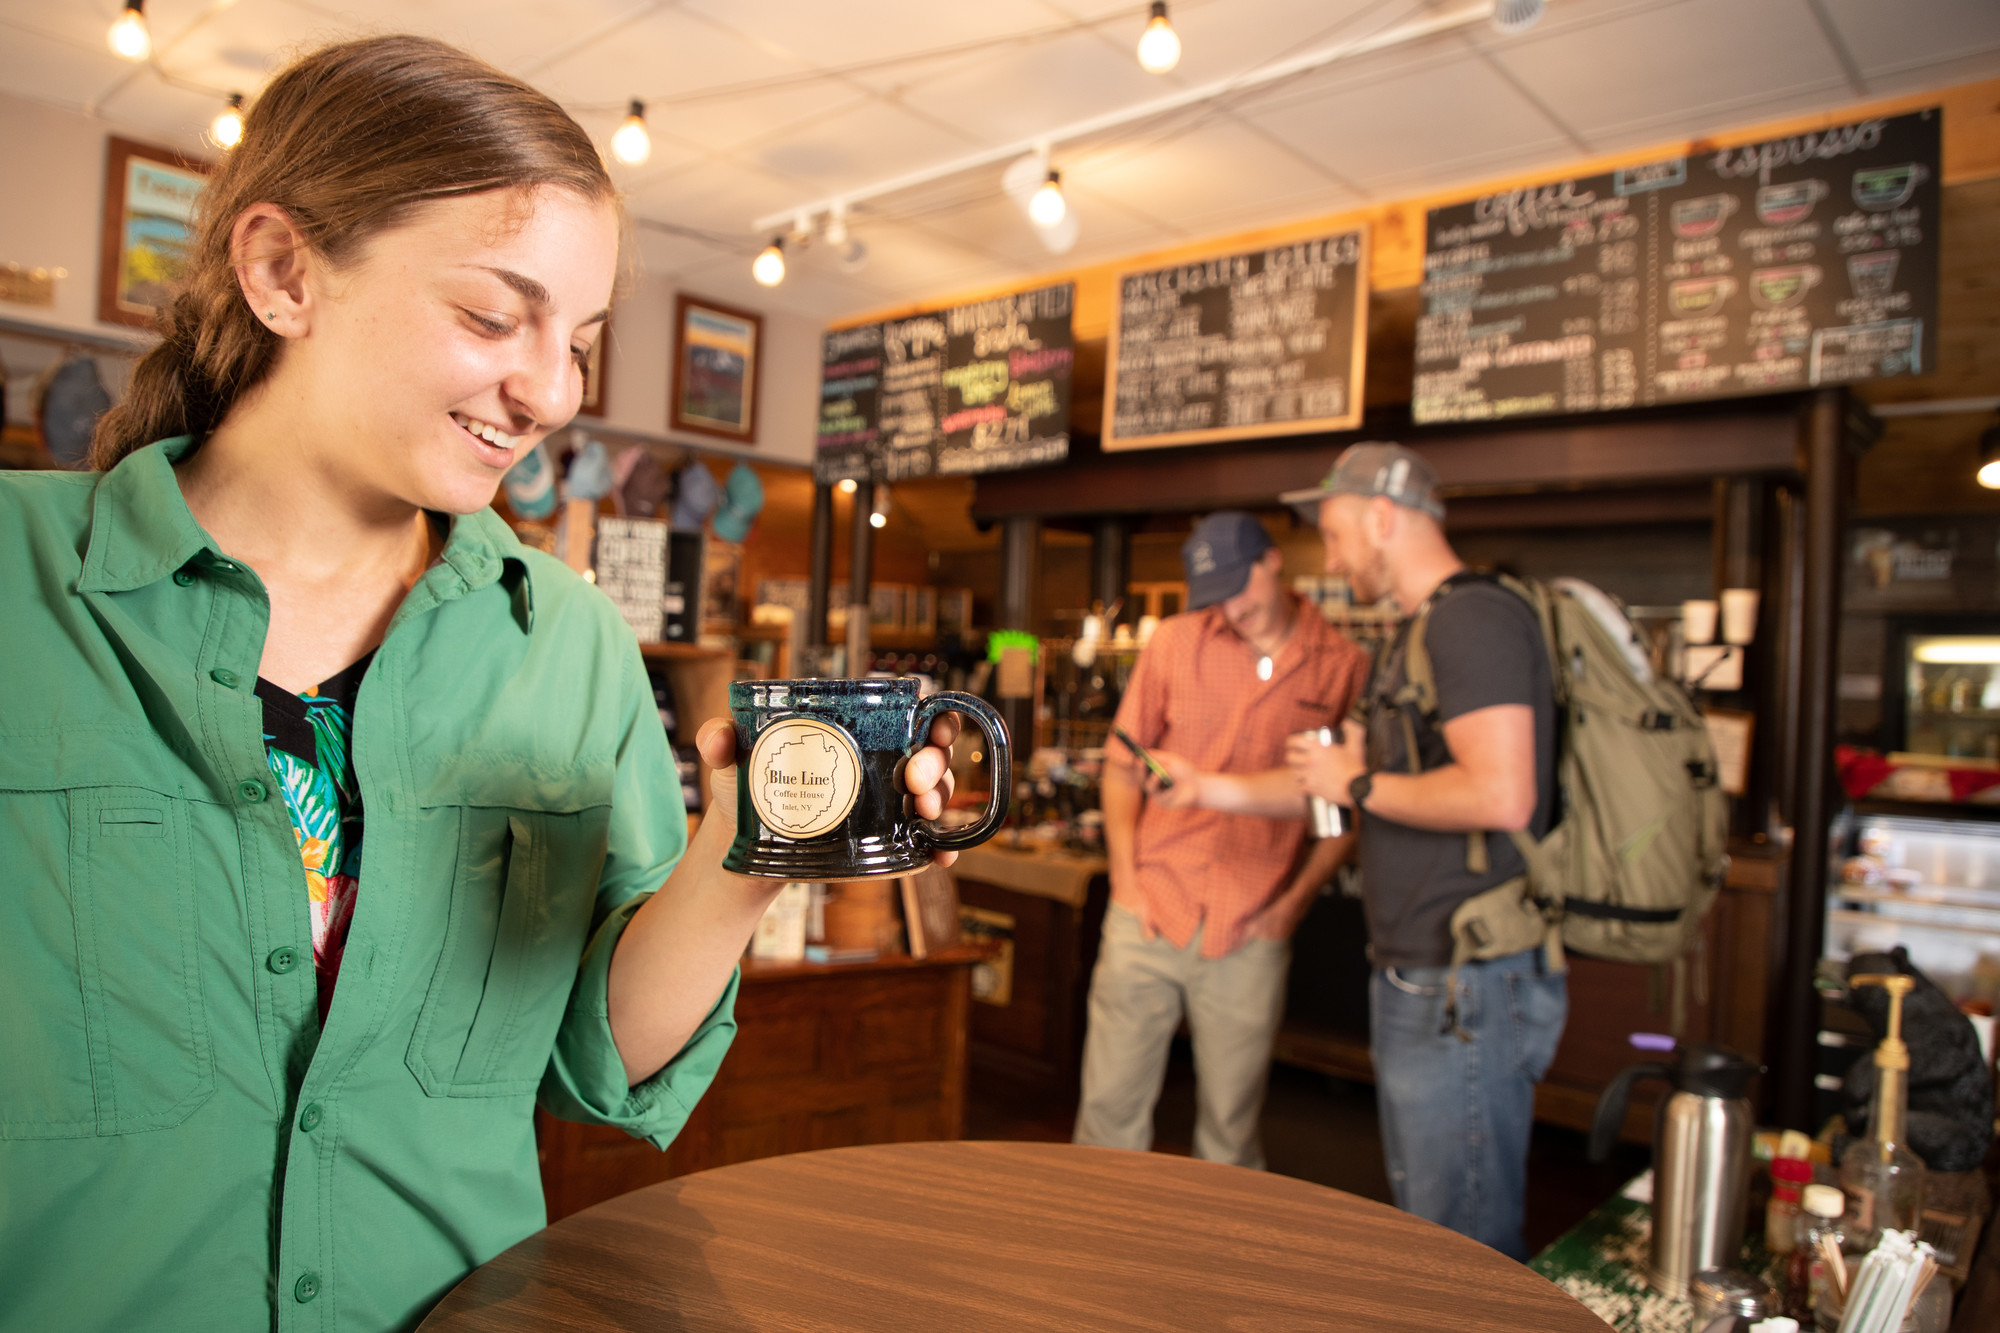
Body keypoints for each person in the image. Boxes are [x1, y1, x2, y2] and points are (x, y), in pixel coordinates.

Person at [0, 37, 959, 1331]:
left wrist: (748, 851)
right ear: (286, 271)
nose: (551, 389)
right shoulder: (21, 582)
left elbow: (596, 1055)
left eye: (580, 340)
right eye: (494, 315)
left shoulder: (568, 641)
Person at [1283, 442, 1564, 1260]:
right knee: (1429, 1224)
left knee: (1463, 1243)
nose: (1330, 559)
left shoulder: (1473, 617)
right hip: (1426, 972)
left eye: (1336, 536)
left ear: (1382, 518)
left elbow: (1502, 792)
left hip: (1467, 979)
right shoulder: (1419, 629)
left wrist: (1359, 782)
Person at [1072, 511, 1367, 1168]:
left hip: (1250, 922)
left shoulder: (1341, 665)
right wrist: (1124, 878)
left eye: (1239, 582)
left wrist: (1291, 905)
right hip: (1148, 908)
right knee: (1106, 1116)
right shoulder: (1176, 641)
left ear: (1272, 562)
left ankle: (1216, 1268)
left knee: (1230, 1136)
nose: (1229, 604)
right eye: (1214, 592)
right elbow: (1123, 767)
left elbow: (1341, 814)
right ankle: (1089, 1256)